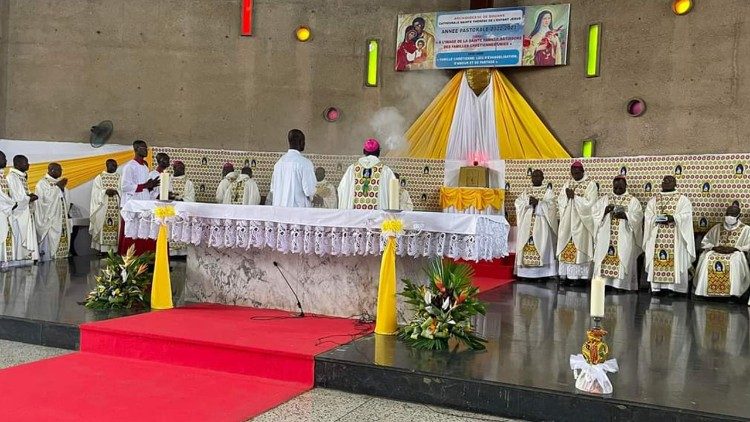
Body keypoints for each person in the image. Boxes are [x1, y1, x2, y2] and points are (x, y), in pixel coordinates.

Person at [643, 175, 695, 294]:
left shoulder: (683, 200)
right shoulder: (654, 200)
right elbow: (648, 216)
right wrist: (656, 218)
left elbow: (687, 216)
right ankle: (657, 288)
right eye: (664, 180)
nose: (666, 182)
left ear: (675, 183)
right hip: (657, 235)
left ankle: (675, 289)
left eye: (670, 181)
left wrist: (674, 217)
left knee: (676, 259)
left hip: (675, 235)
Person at [591, 176, 644, 291]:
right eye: (615, 187)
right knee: (603, 257)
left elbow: (638, 216)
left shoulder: (632, 201)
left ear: (626, 186)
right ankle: (604, 284)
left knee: (623, 257)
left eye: (620, 186)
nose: (618, 189)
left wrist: (625, 215)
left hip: (624, 236)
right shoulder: (605, 199)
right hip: (606, 236)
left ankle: (620, 286)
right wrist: (605, 211)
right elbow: (594, 213)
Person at [693, 204, 750, 299]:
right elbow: (705, 241)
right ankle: (704, 292)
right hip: (717, 251)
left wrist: (736, 248)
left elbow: (748, 245)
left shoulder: (746, 229)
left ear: (739, 216)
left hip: (736, 253)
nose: (729, 216)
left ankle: (732, 294)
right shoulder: (718, 227)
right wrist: (714, 247)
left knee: (734, 260)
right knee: (707, 257)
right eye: (728, 214)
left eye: (733, 214)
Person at [556, 161, 598, 283]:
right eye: (573, 173)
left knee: (580, 248)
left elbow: (591, 204)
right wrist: (567, 198)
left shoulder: (590, 185)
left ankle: (580, 278)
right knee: (566, 244)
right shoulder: (568, 183)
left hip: (581, 222)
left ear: (583, 171)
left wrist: (575, 197)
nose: (575, 175)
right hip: (568, 221)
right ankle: (565, 275)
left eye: (577, 173)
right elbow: (560, 200)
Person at [514, 169, 558, 279]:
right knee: (525, 245)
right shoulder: (526, 191)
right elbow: (518, 204)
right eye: (534, 176)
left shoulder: (548, 192)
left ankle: (541, 274)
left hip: (541, 225)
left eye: (538, 176)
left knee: (541, 245)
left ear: (543, 178)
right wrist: (527, 203)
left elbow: (551, 207)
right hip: (527, 224)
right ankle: (525, 273)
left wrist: (539, 203)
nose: (536, 178)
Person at [119, 140, 159, 255]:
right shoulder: (129, 166)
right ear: (136, 149)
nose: (146, 150)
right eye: (144, 148)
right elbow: (125, 187)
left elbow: (144, 186)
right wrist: (145, 185)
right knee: (131, 232)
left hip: (144, 203)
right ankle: (129, 257)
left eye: (146, 148)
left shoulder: (145, 168)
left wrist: (150, 187)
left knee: (143, 231)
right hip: (132, 205)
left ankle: (142, 256)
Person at [338, 138, 396, 210]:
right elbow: (394, 194)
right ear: (378, 152)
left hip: (356, 217)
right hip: (378, 218)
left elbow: (342, 189)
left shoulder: (352, 169)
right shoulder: (386, 171)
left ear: (364, 151)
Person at [34, 163, 71, 262]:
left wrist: (62, 189)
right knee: (49, 253)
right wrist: (58, 188)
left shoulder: (59, 182)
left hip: (61, 219)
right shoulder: (42, 183)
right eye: (59, 170)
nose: (61, 172)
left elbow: (64, 198)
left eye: (61, 170)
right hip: (50, 221)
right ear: (51, 170)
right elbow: (44, 202)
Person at [270, 129, 316, 207]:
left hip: (279, 212)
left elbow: (273, 189)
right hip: (297, 213)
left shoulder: (278, 164)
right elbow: (309, 191)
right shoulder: (305, 163)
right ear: (301, 142)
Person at [6, 154, 39, 264]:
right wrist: (29, 198)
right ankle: (19, 259)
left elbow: (23, 194)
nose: (28, 164)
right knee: (20, 236)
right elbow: (16, 197)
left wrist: (30, 196)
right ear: (18, 164)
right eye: (25, 162)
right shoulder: (12, 177)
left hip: (26, 212)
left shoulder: (21, 176)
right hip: (18, 214)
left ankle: (27, 259)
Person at [89, 159, 121, 254]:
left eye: (116, 165)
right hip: (103, 208)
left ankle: (115, 250)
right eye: (112, 165)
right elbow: (95, 193)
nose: (114, 167)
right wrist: (105, 192)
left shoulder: (120, 177)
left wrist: (117, 192)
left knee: (116, 228)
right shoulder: (99, 178)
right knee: (102, 226)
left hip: (116, 207)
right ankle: (102, 250)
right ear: (107, 165)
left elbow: (122, 190)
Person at [0, 152, 19, 268]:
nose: (6, 160)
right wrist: (12, 204)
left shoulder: (3, 177)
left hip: (6, 214)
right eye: (3, 158)